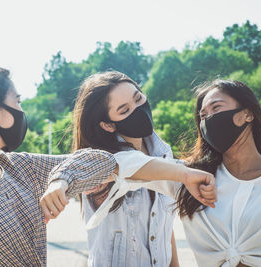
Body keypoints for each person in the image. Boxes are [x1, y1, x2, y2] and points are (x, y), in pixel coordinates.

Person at [106, 80, 261, 266]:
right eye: (202, 116)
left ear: (247, 114)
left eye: (216, 109)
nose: (207, 119)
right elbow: (119, 164)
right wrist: (183, 175)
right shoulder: (190, 179)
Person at [0, 65, 118, 267]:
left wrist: (61, 180)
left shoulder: (20, 167)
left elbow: (104, 161)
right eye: (17, 101)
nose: (21, 111)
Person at [40, 71, 217, 267]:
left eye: (138, 98)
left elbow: (163, 229)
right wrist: (59, 181)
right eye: (124, 111)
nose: (138, 110)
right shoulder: (103, 161)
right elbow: (100, 164)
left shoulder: (163, 154)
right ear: (108, 124)